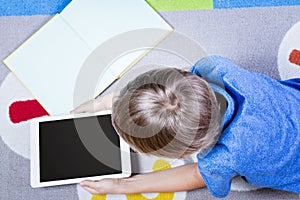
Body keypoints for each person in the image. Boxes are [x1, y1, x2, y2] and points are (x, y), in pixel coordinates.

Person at [71, 55, 300, 198]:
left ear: (185, 153)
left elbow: (194, 175)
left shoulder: (222, 159)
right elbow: (175, 85)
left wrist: (122, 186)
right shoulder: (216, 67)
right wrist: (105, 103)